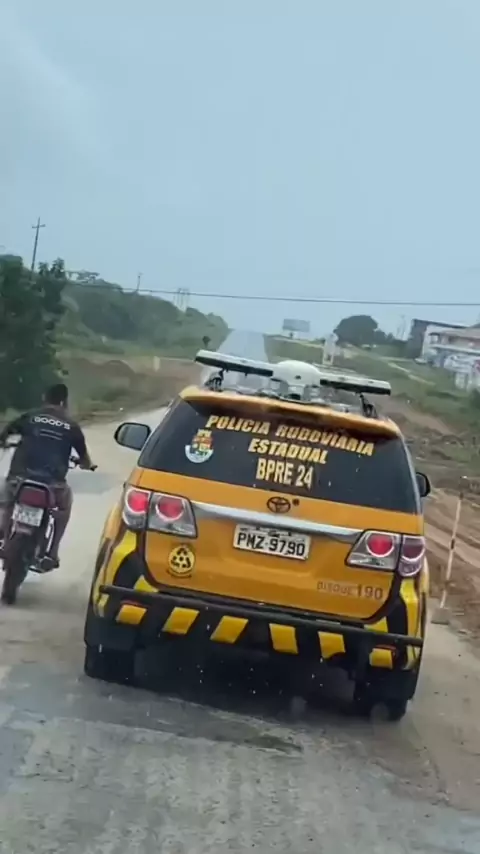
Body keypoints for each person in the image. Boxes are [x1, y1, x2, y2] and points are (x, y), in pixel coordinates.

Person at [0, 383, 95, 570]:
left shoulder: (30, 417)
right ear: (64, 402)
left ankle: (3, 535)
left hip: (19, 478)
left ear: (45, 398)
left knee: (5, 501)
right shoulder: (71, 426)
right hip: (52, 485)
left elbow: (6, 433)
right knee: (64, 507)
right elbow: (84, 458)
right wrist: (87, 465)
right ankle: (52, 552)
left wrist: (4, 442)